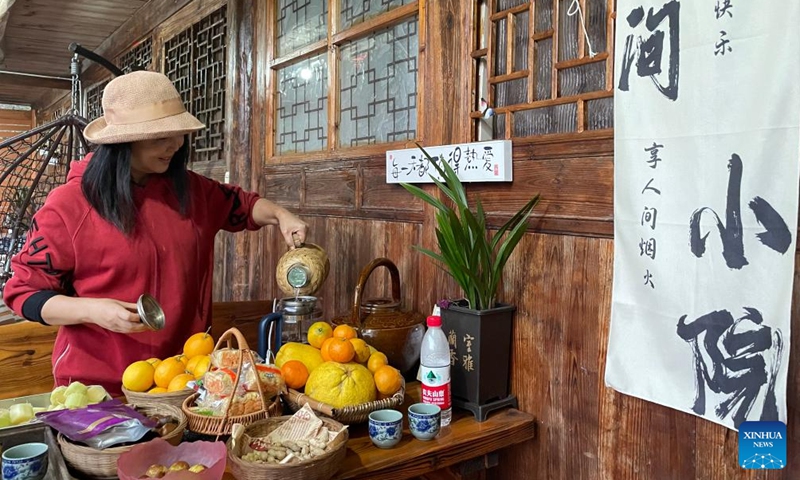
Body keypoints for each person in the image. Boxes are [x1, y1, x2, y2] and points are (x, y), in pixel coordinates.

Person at [2, 71, 308, 396]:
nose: (175, 146)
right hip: (100, 390)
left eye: (178, 135)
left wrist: (279, 214)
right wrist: (93, 310)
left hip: (184, 382)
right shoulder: (69, 206)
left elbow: (243, 206)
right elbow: (24, 293)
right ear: (122, 140)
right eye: (160, 136)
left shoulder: (190, 190)